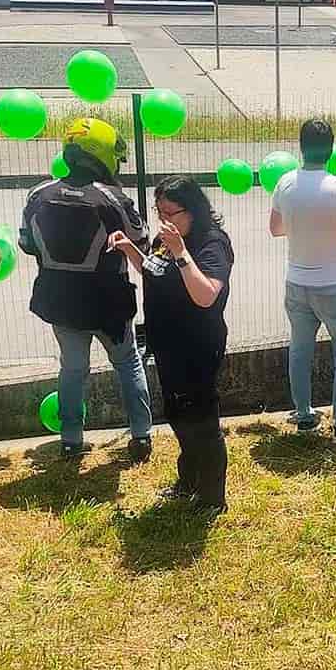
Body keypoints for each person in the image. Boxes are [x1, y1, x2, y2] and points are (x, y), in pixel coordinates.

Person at [19, 117, 153, 461]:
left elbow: (26, 244)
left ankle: (70, 441)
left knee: (72, 369)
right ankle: (140, 437)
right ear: (102, 154)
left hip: (60, 301)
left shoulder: (38, 194)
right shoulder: (113, 199)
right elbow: (142, 244)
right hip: (108, 303)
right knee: (128, 364)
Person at [110, 176, 233, 509]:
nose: (163, 219)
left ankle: (212, 498)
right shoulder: (165, 240)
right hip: (166, 343)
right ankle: (189, 479)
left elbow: (206, 295)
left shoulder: (211, 243)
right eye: (158, 211)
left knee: (202, 420)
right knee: (178, 414)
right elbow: (153, 271)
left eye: (170, 212)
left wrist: (181, 253)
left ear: (192, 210)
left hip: (198, 345)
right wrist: (130, 249)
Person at [270, 119, 336, 444]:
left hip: (297, 282)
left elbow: (276, 228)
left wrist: (305, 226)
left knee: (300, 351)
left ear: (300, 147)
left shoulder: (285, 184)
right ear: (331, 150)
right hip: (334, 284)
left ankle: (304, 417)